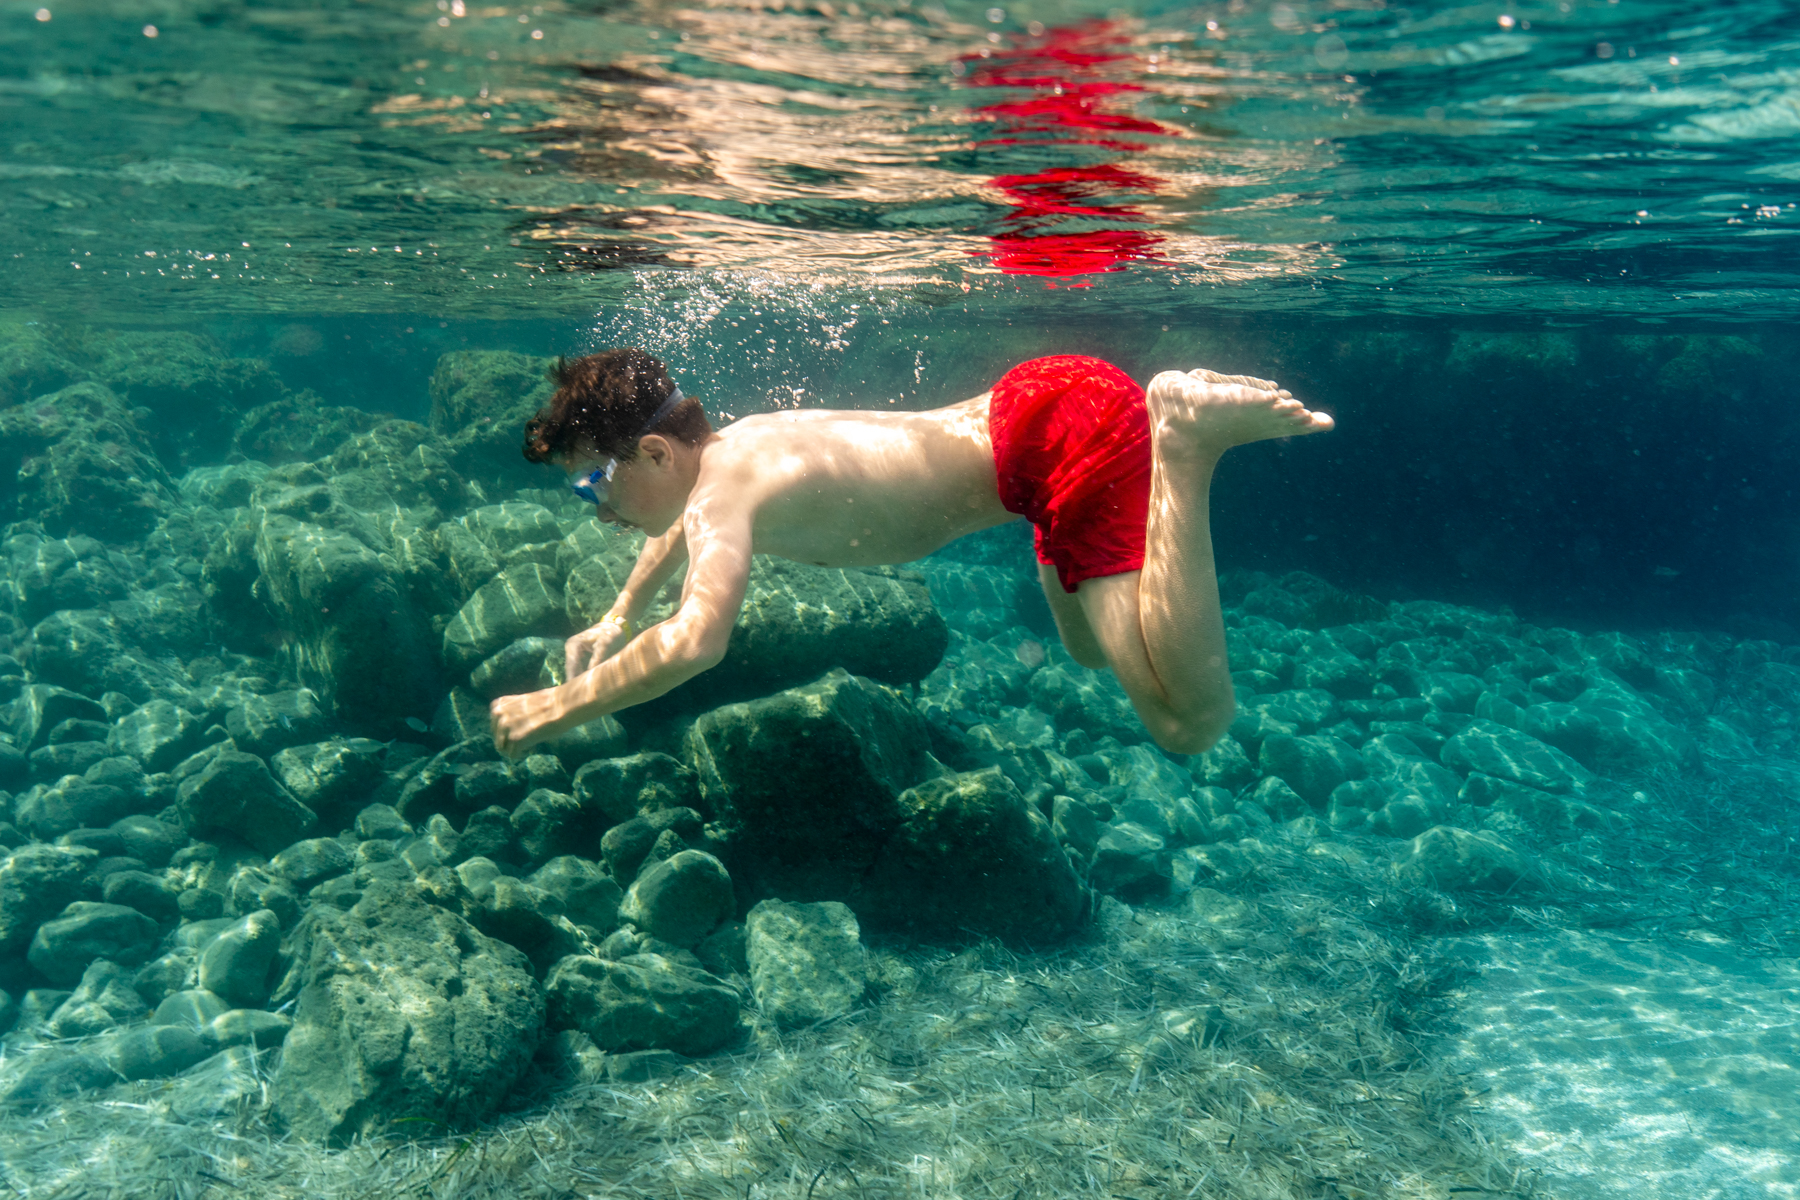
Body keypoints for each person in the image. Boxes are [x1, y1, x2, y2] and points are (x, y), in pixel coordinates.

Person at [489, 348, 1333, 759]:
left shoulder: (718, 498)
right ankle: (1163, 441)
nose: (597, 506)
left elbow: (694, 642)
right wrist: (619, 613)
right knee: (1083, 648)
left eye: (593, 483)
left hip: (1059, 437)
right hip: (1037, 421)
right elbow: (672, 534)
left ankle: (1185, 443)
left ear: (653, 453)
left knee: (1189, 724)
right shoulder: (730, 451)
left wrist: (554, 708)